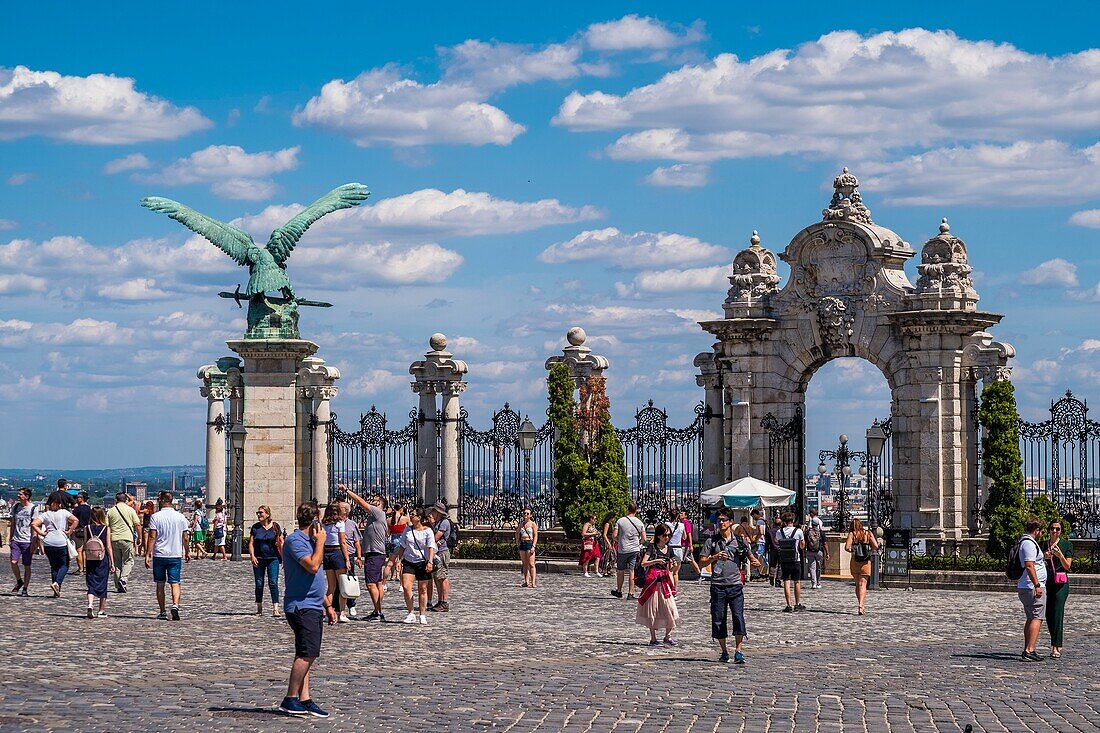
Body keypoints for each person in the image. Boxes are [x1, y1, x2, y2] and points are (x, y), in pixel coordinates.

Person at [278, 501, 336, 718]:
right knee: (308, 653)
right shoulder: (295, 541)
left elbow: (315, 581)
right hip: (301, 607)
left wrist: (328, 605)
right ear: (314, 522)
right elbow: (312, 566)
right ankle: (290, 698)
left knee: (305, 653)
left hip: (312, 604)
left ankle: (305, 698)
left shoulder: (309, 541)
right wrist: (321, 542)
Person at [699, 507, 759, 663]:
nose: (720, 522)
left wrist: (755, 562)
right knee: (718, 618)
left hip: (735, 585)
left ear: (730, 522)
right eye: (718, 520)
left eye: (723, 520)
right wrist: (715, 557)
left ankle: (739, 650)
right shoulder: (711, 541)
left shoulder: (739, 540)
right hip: (717, 585)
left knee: (738, 616)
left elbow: (751, 556)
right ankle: (724, 651)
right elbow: (701, 563)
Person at [144, 491, 191, 621]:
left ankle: (163, 611)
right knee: (175, 582)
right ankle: (175, 605)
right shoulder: (180, 517)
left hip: (160, 554)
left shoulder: (156, 517)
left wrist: (148, 554)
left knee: (160, 583)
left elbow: (152, 536)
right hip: (175, 554)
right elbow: (185, 537)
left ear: (162, 500)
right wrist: (187, 551)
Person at [342, 490, 388, 622]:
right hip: (377, 552)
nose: (372, 501)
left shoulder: (378, 512)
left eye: (374, 500)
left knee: (370, 584)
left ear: (379, 503)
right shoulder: (378, 516)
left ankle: (378, 612)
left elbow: (360, 502)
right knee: (378, 583)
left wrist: (346, 490)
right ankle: (377, 610)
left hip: (374, 553)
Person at [389, 508, 436, 624]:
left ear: (419, 517)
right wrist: (398, 560)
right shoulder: (407, 530)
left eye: (413, 515)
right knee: (406, 586)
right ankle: (410, 613)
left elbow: (431, 547)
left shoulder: (427, 531)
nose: (410, 516)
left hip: (422, 562)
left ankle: (422, 614)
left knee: (422, 589)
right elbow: (402, 546)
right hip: (409, 561)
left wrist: (430, 561)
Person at [636, 523, 680, 646]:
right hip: (653, 582)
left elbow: (672, 567)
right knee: (652, 610)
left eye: (669, 535)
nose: (667, 537)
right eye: (665, 535)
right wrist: (656, 561)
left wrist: (672, 563)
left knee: (671, 609)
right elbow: (644, 563)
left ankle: (668, 636)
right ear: (659, 536)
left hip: (665, 582)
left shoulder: (669, 549)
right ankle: (653, 638)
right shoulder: (652, 547)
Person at [31, 494, 77, 598]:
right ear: (60, 504)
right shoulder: (64, 512)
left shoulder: (46, 515)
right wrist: (69, 531)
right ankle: (57, 583)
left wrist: (42, 533)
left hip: (48, 542)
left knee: (54, 566)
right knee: (64, 565)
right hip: (60, 542)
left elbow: (34, 524)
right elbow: (75, 520)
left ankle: (56, 591)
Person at [1016, 517, 1047, 662]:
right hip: (1031, 586)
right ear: (1036, 530)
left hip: (1026, 586)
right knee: (1037, 617)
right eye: (1041, 531)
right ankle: (1029, 650)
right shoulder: (1028, 543)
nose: (1041, 534)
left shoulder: (1027, 542)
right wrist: (1037, 585)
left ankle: (1028, 647)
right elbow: (1029, 565)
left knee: (1031, 617)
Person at [1044, 519, 1073, 658]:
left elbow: (1067, 566)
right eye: (1052, 528)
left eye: (1057, 529)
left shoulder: (1066, 544)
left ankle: (1056, 646)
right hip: (1047, 580)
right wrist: (1045, 556)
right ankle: (1054, 639)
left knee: (1058, 613)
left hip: (1061, 582)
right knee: (1048, 614)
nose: (1054, 531)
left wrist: (1060, 555)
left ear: (1061, 531)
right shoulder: (1043, 544)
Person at [249, 505, 283, 618]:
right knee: (259, 583)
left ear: (267, 514)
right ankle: (259, 607)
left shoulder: (275, 527)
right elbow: (251, 543)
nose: (259, 515)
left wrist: (283, 557)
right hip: (259, 559)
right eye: (257, 513)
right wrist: (252, 556)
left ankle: (275, 608)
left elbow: (280, 542)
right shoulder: (255, 527)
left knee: (273, 583)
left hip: (273, 559)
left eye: (261, 513)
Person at [319, 503, 349, 623]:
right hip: (337, 553)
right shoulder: (340, 524)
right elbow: (342, 542)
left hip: (327, 553)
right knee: (342, 585)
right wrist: (347, 559)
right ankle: (342, 612)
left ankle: (328, 611)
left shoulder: (323, 524)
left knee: (331, 586)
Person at [107, 492, 141, 593]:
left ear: (115, 500)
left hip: (114, 538)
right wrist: (139, 537)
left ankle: (118, 584)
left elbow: (107, 527)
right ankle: (123, 579)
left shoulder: (110, 511)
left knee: (117, 562)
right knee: (128, 560)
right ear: (125, 500)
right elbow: (137, 524)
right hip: (127, 538)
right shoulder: (130, 510)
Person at [845, 518, 879, 616]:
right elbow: (876, 546)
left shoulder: (852, 534)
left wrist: (854, 551)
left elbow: (847, 547)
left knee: (857, 584)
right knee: (863, 584)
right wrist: (869, 550)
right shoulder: (868, 533)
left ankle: (860, 603)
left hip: (855, 561)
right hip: (865, 562)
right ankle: (861, 605)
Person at [611, 503, 646, 599]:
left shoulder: (620, 521)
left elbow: (614, 535)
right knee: (632, 571)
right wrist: (638, 544)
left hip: (622, 549)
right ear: (636, 510)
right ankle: (631, 593)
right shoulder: (639, 522)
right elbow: (644, 538)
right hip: (634, 549)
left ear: (628, 509)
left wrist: (620, 540)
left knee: (620, 571)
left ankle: (619, 590)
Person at [83, 506, 113, 618]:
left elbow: (86, 544)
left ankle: (90, 604)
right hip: (102, 558)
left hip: (90, 558)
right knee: (103, 583)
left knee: (91, 582)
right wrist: (112, 562)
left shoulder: (87, 528)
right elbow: (109, 546)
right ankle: (101, 610)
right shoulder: (106, 528)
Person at [8, 487, 37, 596]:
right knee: (13, 562)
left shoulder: (33, 508)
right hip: (16, 539)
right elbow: (13, 523)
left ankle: (25, 587)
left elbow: (34, 526)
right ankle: (19, 580)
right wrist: (10, 537)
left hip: (27, 540)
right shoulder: (16, 507)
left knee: (27, 565)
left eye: (21, 494)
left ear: (26, 496)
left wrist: (34, 541)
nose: (18, 496)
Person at [336, 503, 362, 622]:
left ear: (346, 511)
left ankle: (351, 604)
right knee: (337, 583)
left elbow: (357, 542)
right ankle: (337, 607)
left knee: (349, 581)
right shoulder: (333, 523)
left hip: (350, 554)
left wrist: (358, 556)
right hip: (337, 554)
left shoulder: (352, 524)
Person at [776, 512, 806, 612]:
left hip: (784, 560)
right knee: (797, 581)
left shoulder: (779, 532)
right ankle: (797, 604)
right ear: (792, 521)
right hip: (795, 559)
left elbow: (778, 543)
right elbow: (802, 546)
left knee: (786, 581)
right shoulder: (798, 531)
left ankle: (788, 605)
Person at [428, 501, 454, 611]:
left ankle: (444, 601)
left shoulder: (444, 522)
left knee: (442, 577)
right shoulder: (438, 522)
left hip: (442, 552)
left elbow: (436, 537)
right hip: (437, 552)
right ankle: (440, 600)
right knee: (437, 577)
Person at [804, 514, 829, 589]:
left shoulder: (808, 532)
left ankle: (813, 583)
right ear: (818, 524)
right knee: (818, 567)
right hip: (819, 551)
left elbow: (804, 542)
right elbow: (825, 543)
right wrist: (827, 553)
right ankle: (818, 582)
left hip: (810, 551)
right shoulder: (821, 533)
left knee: (812, 568)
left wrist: (804, 552)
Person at [515, 507, 538, 588]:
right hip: (523, 543)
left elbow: (535, 536)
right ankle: (526, 581)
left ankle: (533, 582)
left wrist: (533, 546)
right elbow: (517, 532)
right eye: (524, 513)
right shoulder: (521, 524)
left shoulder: (533, 524)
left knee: (531, 564)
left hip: (529, 543)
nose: (525, 515)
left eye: (527, 513)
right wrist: (518, 541)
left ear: (530, 515)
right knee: (524, 564)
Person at [71, 492, 92, 575]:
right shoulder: (89, 509)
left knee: (79, 550)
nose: (77, 498)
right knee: (85, 551)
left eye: (78, 497)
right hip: (88, 531)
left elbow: (73, 520)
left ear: (82, 498)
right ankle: (85, 567)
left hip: (78, 531)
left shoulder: (77, 509)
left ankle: (80, 569)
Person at [387, 503, 408, 581]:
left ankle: (391, 576)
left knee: (391, 560)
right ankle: (398, 575)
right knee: (400, 560)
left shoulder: (389, 520)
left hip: (394, 540)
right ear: (401, 509)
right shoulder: (405, 519)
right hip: (402, 540)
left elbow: (388, 533)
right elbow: (410, 527)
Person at [750, 509, 767, 582]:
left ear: (755, 514)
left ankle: (758, 574)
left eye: (753, 516)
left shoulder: (759, 521)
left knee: (757, 558)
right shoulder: (764, 521)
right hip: (763, 542)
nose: (753, 518)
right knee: (763, 558)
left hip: (760, 542)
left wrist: (756, 539)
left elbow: (761, 532)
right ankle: (764, 573)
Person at [599, 511, 617, 577]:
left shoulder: (610, 524)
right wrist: (608, 543)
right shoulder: (607, 524)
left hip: (611, 540)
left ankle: (608, 569)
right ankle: (604, 570)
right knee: (606, 555)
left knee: (614, 556)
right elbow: (604, 535)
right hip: (607, 540)